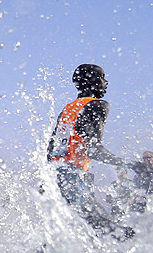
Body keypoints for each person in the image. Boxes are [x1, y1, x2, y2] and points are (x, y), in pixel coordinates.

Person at [47, 63, 133, 239]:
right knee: (114, 231)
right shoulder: (98, 105)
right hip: (71, 178)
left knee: (60, 236)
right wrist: (124, 162)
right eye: (102, 77)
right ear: (92, 81)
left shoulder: (68, 108)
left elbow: (51, 149)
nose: (106, 83)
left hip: (52, 178)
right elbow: (92, 148)